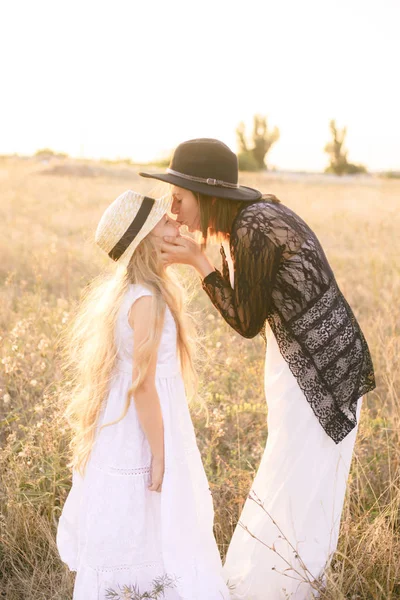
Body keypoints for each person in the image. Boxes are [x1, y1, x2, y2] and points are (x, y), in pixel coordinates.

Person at [139, 139, 376, 600]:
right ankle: (280, 578)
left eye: (179, 198)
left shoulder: (252, 227)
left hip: (319, 365)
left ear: (205, 195)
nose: (174, 208)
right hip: (312, 355)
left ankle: (275, 584)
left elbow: (246, 322)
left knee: (297, 471)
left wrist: (194, 259)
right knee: (294, 470)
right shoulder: (249, 220)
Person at [56, 190, 231, 600]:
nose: (176, 222)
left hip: (131, 422)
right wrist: (159, 452)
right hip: (144, 427)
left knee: (140, 515)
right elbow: (143, 385)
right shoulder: (147, 300)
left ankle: (144, 587)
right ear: (148, 241)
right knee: (152, 508)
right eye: (165, 223)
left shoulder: (131, 291)